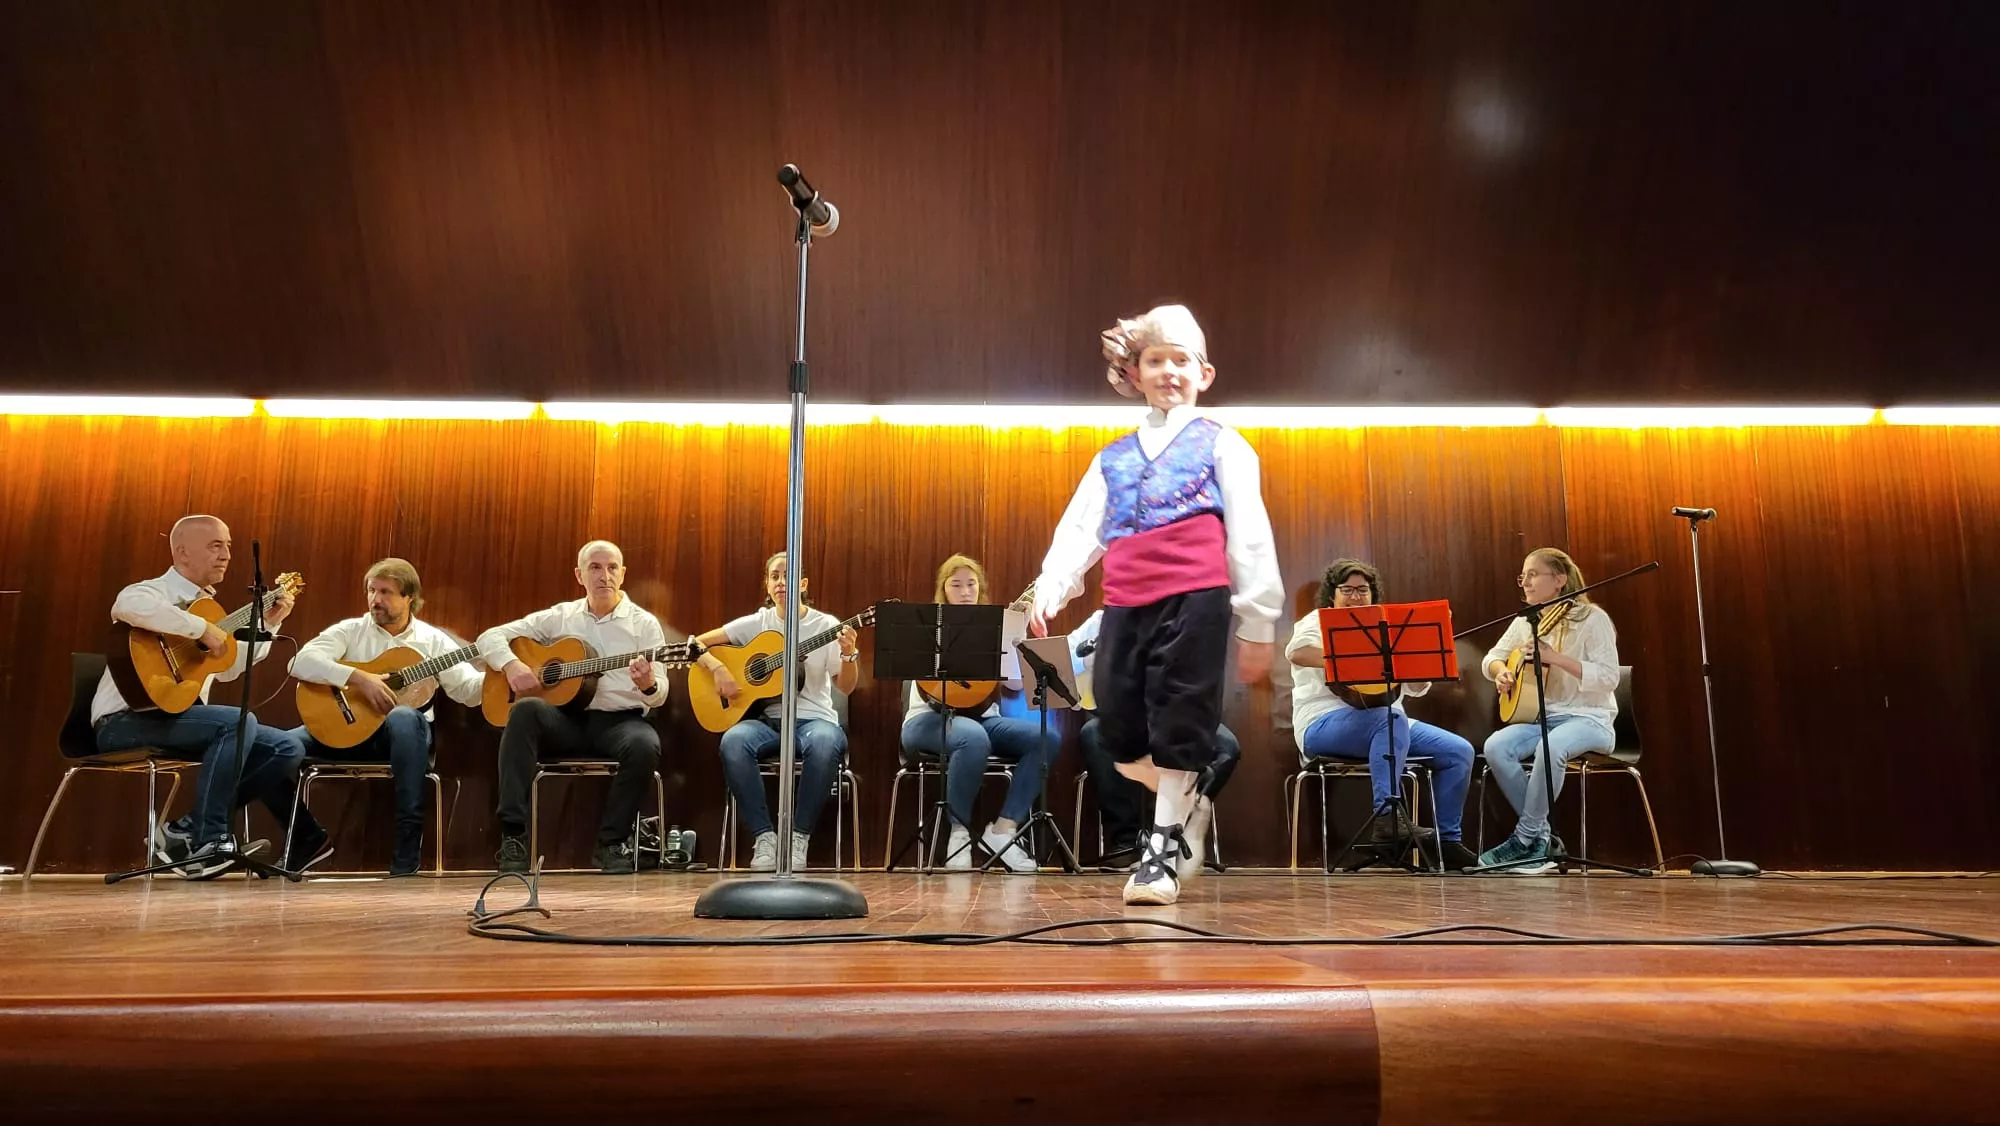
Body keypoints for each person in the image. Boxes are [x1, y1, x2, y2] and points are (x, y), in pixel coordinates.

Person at [1028, 303, 1283, 905]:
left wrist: (1257, 620)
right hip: (1126, 600)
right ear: (1135, 372)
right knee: (1115, 728)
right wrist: (1054, 585)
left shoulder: (1224, 444)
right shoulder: (1112, 457)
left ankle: (1161, 846)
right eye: (1155, 360)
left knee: (1178, 719)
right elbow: (1083, 528)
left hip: (1196, 597)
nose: (1169, 371)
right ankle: (1190, 793)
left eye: (1181, 361)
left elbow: (1249, 531)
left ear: (1205, 373)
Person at [90, 514, 323, 878]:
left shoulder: (210, 609)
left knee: (285, 748)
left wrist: (269, 624)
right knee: (237, 723)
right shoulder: (155, 592)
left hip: (177, 719)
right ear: (182, 552)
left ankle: (186, 829)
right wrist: (200, 628)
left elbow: (227, 668)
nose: (227, 555)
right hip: (124, 722)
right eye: (216, 545)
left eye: (228, 546)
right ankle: (210, 840)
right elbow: (126, 606)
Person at [477, 540, 670, 875]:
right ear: (579, 575)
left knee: (645, 744)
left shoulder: (644, 624)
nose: (604, 575)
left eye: (612, 568)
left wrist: (647, 685)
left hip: (619, 723)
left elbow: (661, 693)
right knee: (523, 712)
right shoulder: (559, 617)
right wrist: (511, 665)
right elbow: (489, 637)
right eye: (595, 567)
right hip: (565, 720)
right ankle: (513, 836)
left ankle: (611, 843)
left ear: (623, 574)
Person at [287, 558, 484, 876]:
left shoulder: (432, 641)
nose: (375, 600)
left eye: (386, 592)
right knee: (275, 747)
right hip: (340, 734)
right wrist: (358, 678)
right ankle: (306, 840)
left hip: (400, 742)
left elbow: (467, 690)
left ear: (410, 598)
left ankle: (407, 851)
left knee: (404, 717)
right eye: (371, 590)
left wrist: (500, 677)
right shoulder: (350, 631)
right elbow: (299, 662)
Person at [1286, 559, 1478, 870]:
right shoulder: (1319, 620)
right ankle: (1387, 819)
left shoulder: (1388, 629)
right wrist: (1353, 661)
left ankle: (1447, 843)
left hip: (1388, 722)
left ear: (1374, 595)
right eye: (1346, 589)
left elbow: (1417, 686)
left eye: (1363, 590)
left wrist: (1416, 652)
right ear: (1332, 595)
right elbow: (1298, 652)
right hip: (1321, 723)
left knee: (1458, 751)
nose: (1355, 596)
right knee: (1390, 720)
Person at [693, 552, 858, 872]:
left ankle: (799, 838)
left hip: (815, 720)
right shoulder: (758, 623)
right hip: (767, 721)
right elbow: (695, 644)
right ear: (767, 585)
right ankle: (765, 838)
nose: (782, 582)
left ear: (803, 584)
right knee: (734, 741)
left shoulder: (827, 625)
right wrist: (717, 669)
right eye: (775, 576)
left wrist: (849, 655)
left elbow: (847, 688)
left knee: (826, 743)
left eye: (789, 575)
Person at [898, 554, 1058, 872]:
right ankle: (958, 836)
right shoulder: (930, 626)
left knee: (1046, 737)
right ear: (943, 590)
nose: (965, 591)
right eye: (956, 584)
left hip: (984, 718)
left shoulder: (996, 629)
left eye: (971, 584)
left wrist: (1017, 636)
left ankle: (1003, 830)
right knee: (972, 738)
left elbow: (1014, 685)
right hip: (926, 720)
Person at [1477, 548, 1621, 874]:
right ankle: (1541, 839)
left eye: (1533, 574)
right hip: (1544, 717)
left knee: (1550, 747)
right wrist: (1502, 671)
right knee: (1496, 747)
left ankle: (1524, 838)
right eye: (1522, 575)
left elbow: (1610, 677)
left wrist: (1556, 658)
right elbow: (1491, 658)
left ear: (1559, 580)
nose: (1525, 582)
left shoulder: (1592, 619)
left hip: (1590, 718)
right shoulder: (1526, 621)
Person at [1071, 608, 1240, 871]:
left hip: (1178, 714)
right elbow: (1064, 657)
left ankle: (1179, 824)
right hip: (1124, 717)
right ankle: (1125, 842)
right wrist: (1092, 660)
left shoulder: (1184, 613)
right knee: (1093, 735)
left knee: (1227, 746)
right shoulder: (1100, 621)